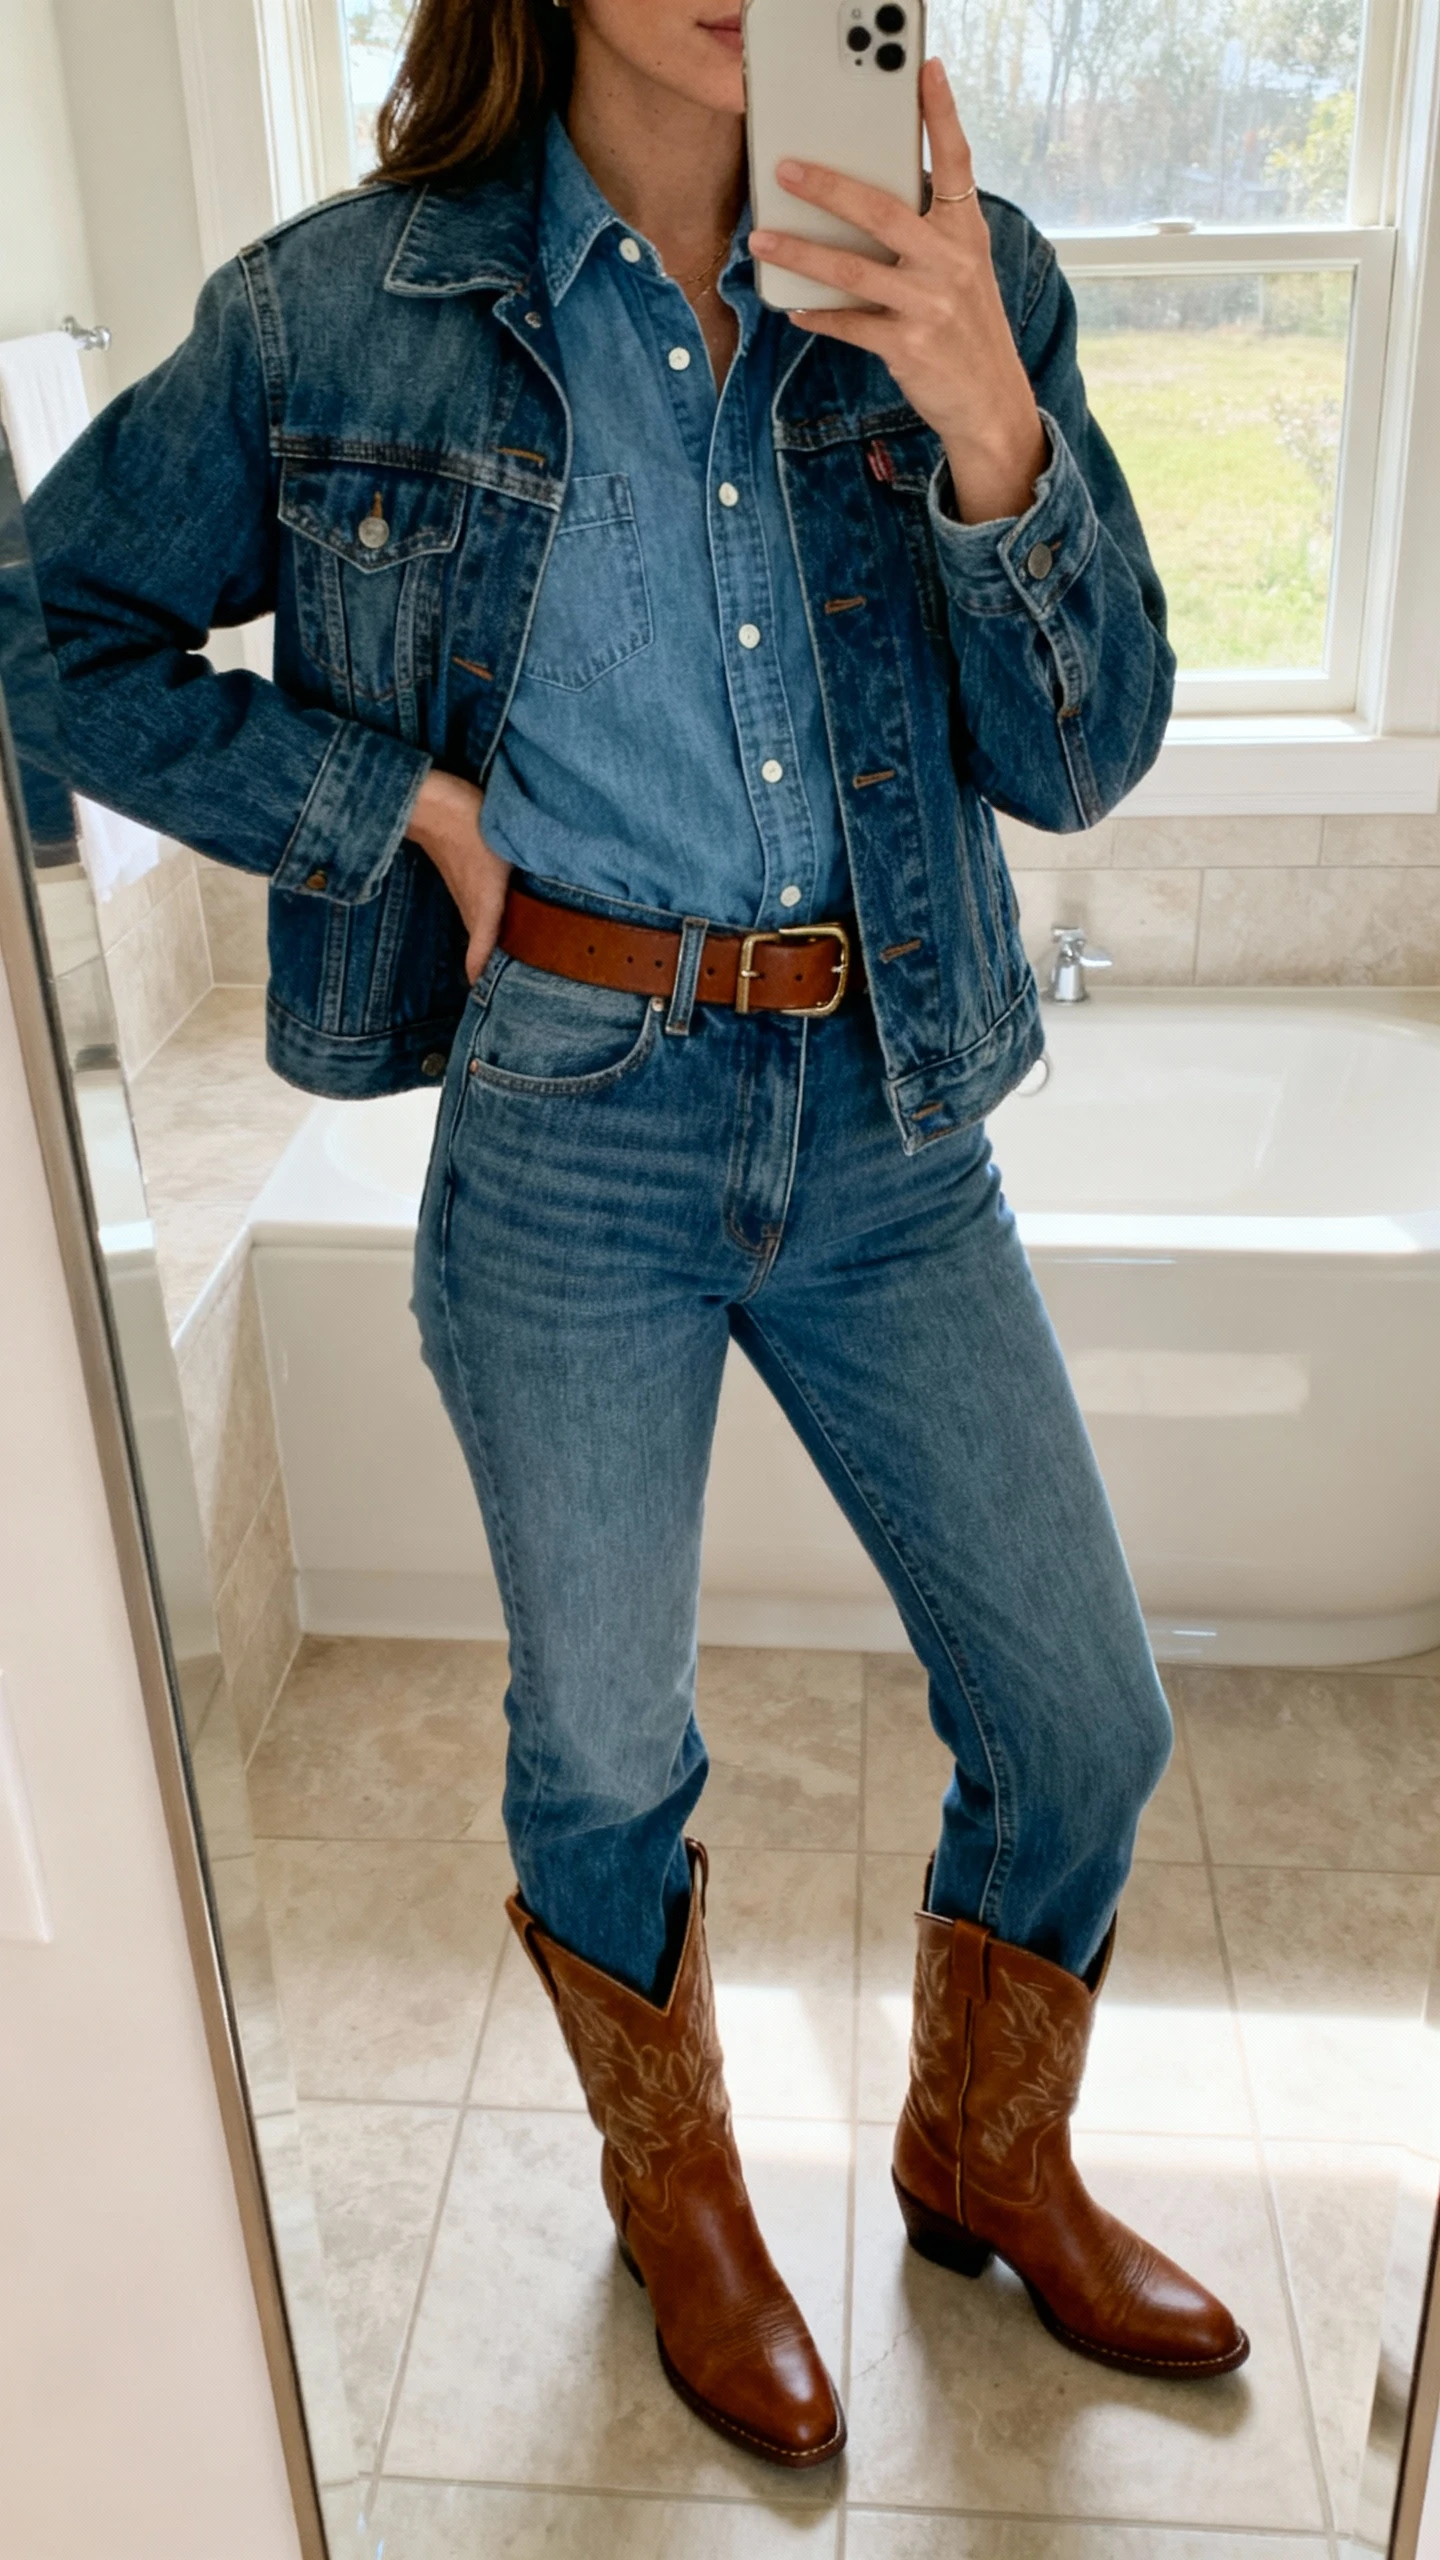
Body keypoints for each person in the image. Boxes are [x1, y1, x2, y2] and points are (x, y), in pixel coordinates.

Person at [27, 0, 1249, 2471]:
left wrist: (984, 415)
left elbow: (1084, 751)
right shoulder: (339, 313)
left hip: (886, 1110)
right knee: (601, 1742)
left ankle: (985, 2149)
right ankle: (676, 2190)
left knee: (1087, 1714)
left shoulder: (965, 270)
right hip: (572, 1115)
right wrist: (406, 811)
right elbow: (44, 627)